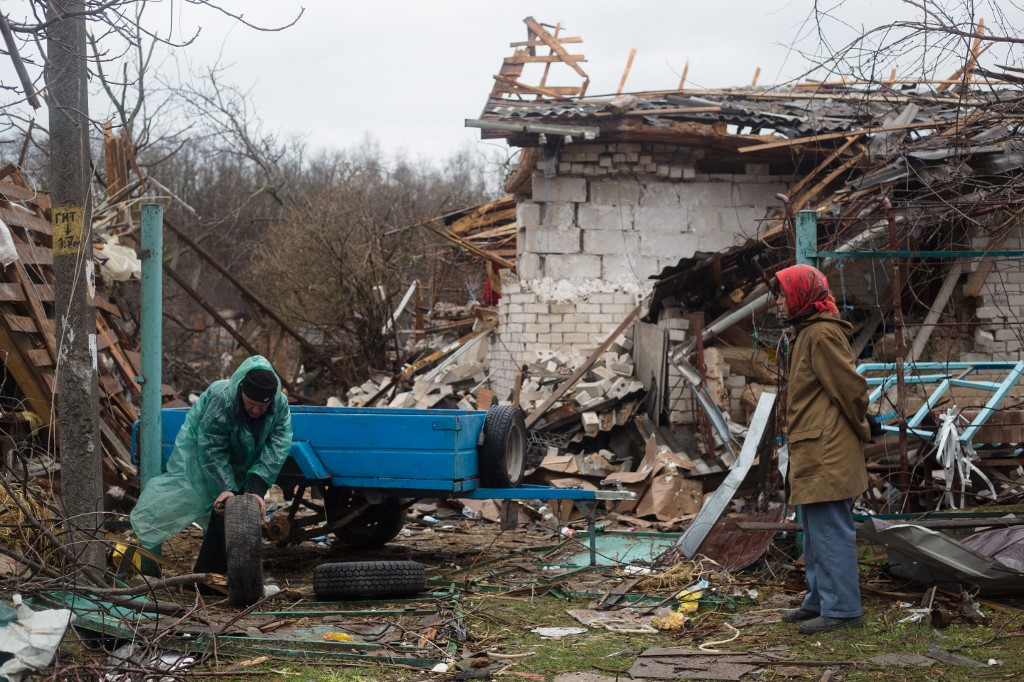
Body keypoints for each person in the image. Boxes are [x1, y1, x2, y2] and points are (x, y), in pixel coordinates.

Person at [772, 264, 872, 635]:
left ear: (800, 295)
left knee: (830, 530)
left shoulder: (822, 335)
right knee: (816, 531)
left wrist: (862, 425)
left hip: (828, 448)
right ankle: (820, 600)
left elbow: (850, 388)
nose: (780, 302)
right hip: (815, 446)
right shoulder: (806, 332)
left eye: (784, 294)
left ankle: (843, 610)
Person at [130, 355, 292, 575]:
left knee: (244, 509)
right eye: (251, 405)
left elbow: (278, 445)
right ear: (241, 391)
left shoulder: (280, 405)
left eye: (262, 407)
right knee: (223, 508)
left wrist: (257, 488)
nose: (256, 411)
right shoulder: (221, 398)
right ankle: (208, 577)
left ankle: (235, 575)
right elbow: (212, 446)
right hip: (202, 455)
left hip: (245, 459)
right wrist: (226, 487)